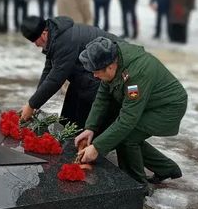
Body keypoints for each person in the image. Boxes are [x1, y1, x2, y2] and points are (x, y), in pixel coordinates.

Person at [74, 37, 184, 185]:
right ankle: (167, 168)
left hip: (168, 107)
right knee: (127, 135)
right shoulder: (111, 59)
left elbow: (128, 120)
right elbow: (102, 97)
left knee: (126, 137)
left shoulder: (136, 75)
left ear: (110, 67)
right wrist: (90, 127)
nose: (94, 75)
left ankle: (136, 185)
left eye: (96, 72)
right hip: (150, 103)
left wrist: (97, 147)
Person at [19, 15, 115, 128]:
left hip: (108, 67)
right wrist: (33, 103)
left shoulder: (63, 41)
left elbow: (55, 79)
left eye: (35, 41)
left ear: (44, 34)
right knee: (69, 117)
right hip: (89, 72)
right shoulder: (55, 35)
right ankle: (72, 133)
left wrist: (32, 105)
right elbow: (49, 70)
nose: (36, 45)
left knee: (87, 120)